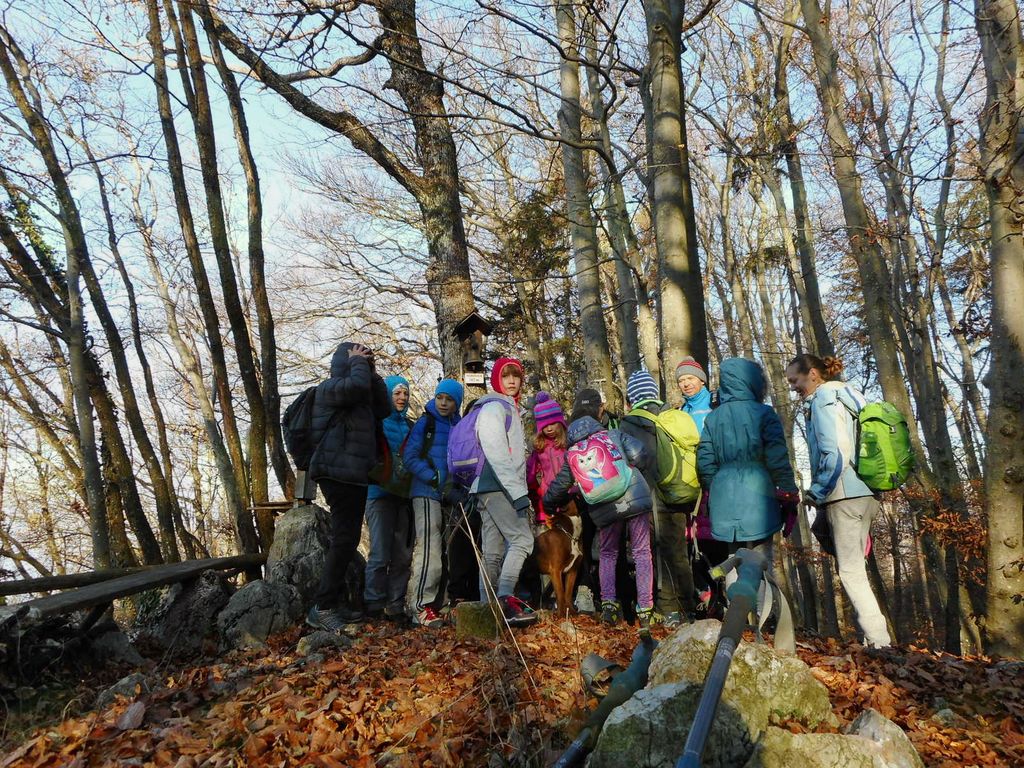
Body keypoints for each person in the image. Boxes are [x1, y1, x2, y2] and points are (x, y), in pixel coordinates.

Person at [786, 353, 891, 649]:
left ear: (813, 374)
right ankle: (874, 637)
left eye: (795, 380)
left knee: (851, 571)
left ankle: (879, 643)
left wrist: (818, 491)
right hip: (867, 491)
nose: (793, 387)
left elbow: (836, 451)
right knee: (828, 536)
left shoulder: (825, 398)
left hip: (844, 493)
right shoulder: (851, 395)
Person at [543, 390, 657, 634]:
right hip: (634, 497)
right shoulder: (613, 434)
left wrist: (549, 506)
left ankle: (609, 607)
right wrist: (633, 469)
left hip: (604, 507)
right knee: (641, 552)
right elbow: (640, 454)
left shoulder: (572, 453)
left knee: (607, 553)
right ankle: (645, 609)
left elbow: (559, 486)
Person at [696, 358, 799, 597]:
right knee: (761, 559)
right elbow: (777, 457)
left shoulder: (713, 417)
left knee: (733, 558)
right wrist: (788, 491)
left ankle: (737, 613)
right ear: (754, 382)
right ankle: (763, 613)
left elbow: (704, 460)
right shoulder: (764, 413)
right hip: (759, 494)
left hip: (723, 495)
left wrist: (715, 487)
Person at [307, 342, 390, 631]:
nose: (362, 364)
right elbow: (355, 387)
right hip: (335, 471)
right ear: (345, 362)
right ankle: (322, 607)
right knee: (344, 538)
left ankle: (332, 601)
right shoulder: (330, 388)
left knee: (349, 538)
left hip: (354, 473)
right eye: (357, 359)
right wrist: (357, 363)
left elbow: (384, 407)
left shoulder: (361, 394)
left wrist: (372, 371)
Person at [620, 369, 696, 628]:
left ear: (632, 397)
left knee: (651, 552)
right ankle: (686, 607)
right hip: (676, 492)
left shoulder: (629, 424)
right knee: (677, 551)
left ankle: (665, 609)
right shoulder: (672, 415)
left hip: (646, 495)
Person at [472, 357, 537, 627]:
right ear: (496, 379)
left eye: (516, 376)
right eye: (505, 376)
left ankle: (486, 611)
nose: (511, 381)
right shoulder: (494, 407)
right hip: (498, 485)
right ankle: (506, 600)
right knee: (522, 540)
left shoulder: (508, 408)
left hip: (488, 486)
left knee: (493, 550)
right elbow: (496, 451)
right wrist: (517, 493)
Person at [404, 378, 464, 628]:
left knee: (449, 550)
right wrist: (434, 478)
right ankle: (420, 606)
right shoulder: (425, 423)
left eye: (449, 399)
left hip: (449, 496)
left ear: (456, 403)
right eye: (440, 397)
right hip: (425, 491)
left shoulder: (459, 426)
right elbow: (409, 457)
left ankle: (441, 603)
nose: (443, 403)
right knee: (429, 547)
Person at [674, 357, 727, 615]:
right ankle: (710, 596)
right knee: (698, 541)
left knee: (720, 537)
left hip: (718, 478)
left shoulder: (716, 403)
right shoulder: (681, 412)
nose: (686, 384)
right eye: (681, 381)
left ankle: (729, 596)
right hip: (692, 482)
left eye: (690, 379)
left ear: (702, 380)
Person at [363, 375, 414, 621]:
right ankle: (373, 603)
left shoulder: (411, 426)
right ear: (387, 395)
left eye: (405, 393)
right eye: (397, 393)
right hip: (379, 494)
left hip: (404, 496)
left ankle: (395, 605)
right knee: (380, 553)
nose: (402, 398)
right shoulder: (376, 423)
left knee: (402, 556)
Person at [526, 392, 570, 524]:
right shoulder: (540, 448)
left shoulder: (568, 443)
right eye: (544, 425)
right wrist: (538, 499)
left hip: (570, 496)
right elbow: (530, 475)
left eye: (553, 423)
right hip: (549, 497)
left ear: (560, 422)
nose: (549, 428)